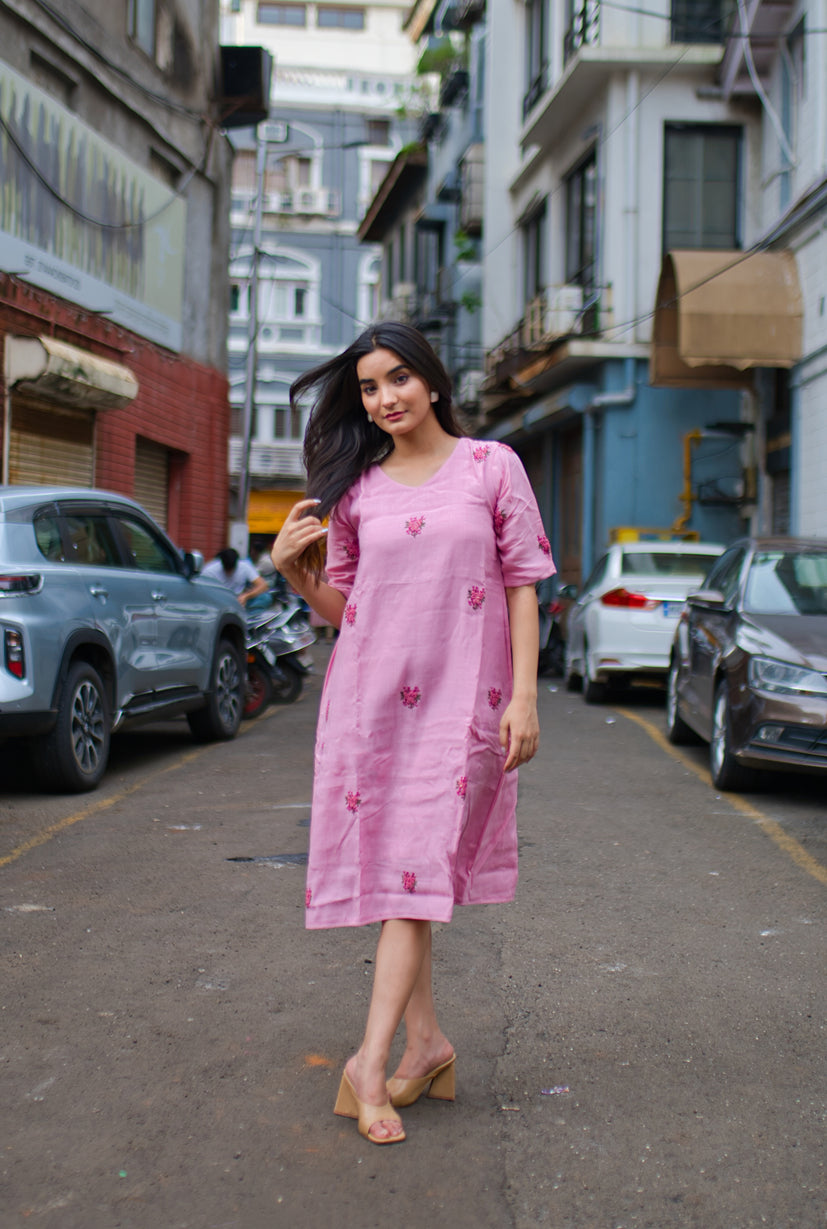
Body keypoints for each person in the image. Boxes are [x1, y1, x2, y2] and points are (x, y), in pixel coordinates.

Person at [271, 322, 555, 1145]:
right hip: (372, 707)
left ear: (431, 381)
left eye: (398, 378)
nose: (384, 397)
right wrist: (297, 576)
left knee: (415, 874)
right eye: (367, 387)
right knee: (408, 882)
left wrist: (526, 697)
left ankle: (369, 1060)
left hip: (466, 704)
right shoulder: (357, 491)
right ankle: (425, 1045)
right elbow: (350, 614)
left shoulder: (490, 467)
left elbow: (523, 582)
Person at [201, 546, 269, 608]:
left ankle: (248, 619)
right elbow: (202, 591)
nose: (229, 572)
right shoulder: (209, 570)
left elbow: (263, 585)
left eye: (232, 569)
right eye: (227, 569)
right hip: (218, 600)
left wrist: (246, 596)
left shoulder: (244, 566)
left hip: (238, 599)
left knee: (265, 597)